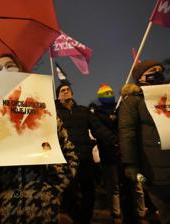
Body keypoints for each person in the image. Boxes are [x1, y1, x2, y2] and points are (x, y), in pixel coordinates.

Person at [0, 54, 79, 223]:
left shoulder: (45, 113)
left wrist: (52, 190)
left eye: (10, 66)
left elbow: (70, 156)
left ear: (21, 71)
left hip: (42, 208)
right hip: (0, 209)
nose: (4, 71)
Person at [119, 60, 170, 224]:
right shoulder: (133, 101)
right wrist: (130, 164)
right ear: (141, 77)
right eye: (152, 70)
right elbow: (127, 134)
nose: (158, 73)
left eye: (160, 70)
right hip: (157, 173)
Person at [55, 81, 118, 224]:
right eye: (62, 90)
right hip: (66, 160)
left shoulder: (83, 111)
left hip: (84, 159)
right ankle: (75, 218)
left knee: (89, 192)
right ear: (58, 96)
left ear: (72, 93)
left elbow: (98, 128)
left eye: (68, 89)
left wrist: (113, 140)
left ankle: (84, 219)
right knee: (68, 194)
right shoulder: (55, 113)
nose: (66, 91)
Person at [89, 83, 122, 220]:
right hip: (108, 153)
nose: (108, 96)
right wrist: (113, 139)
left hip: (123, 152)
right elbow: (99, 131)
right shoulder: (97, 113)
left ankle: (139, 210)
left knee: (130, 184)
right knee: (112, 184)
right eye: (105, 94)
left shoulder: (120, 108)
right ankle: (116, 212)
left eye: (110, 93)